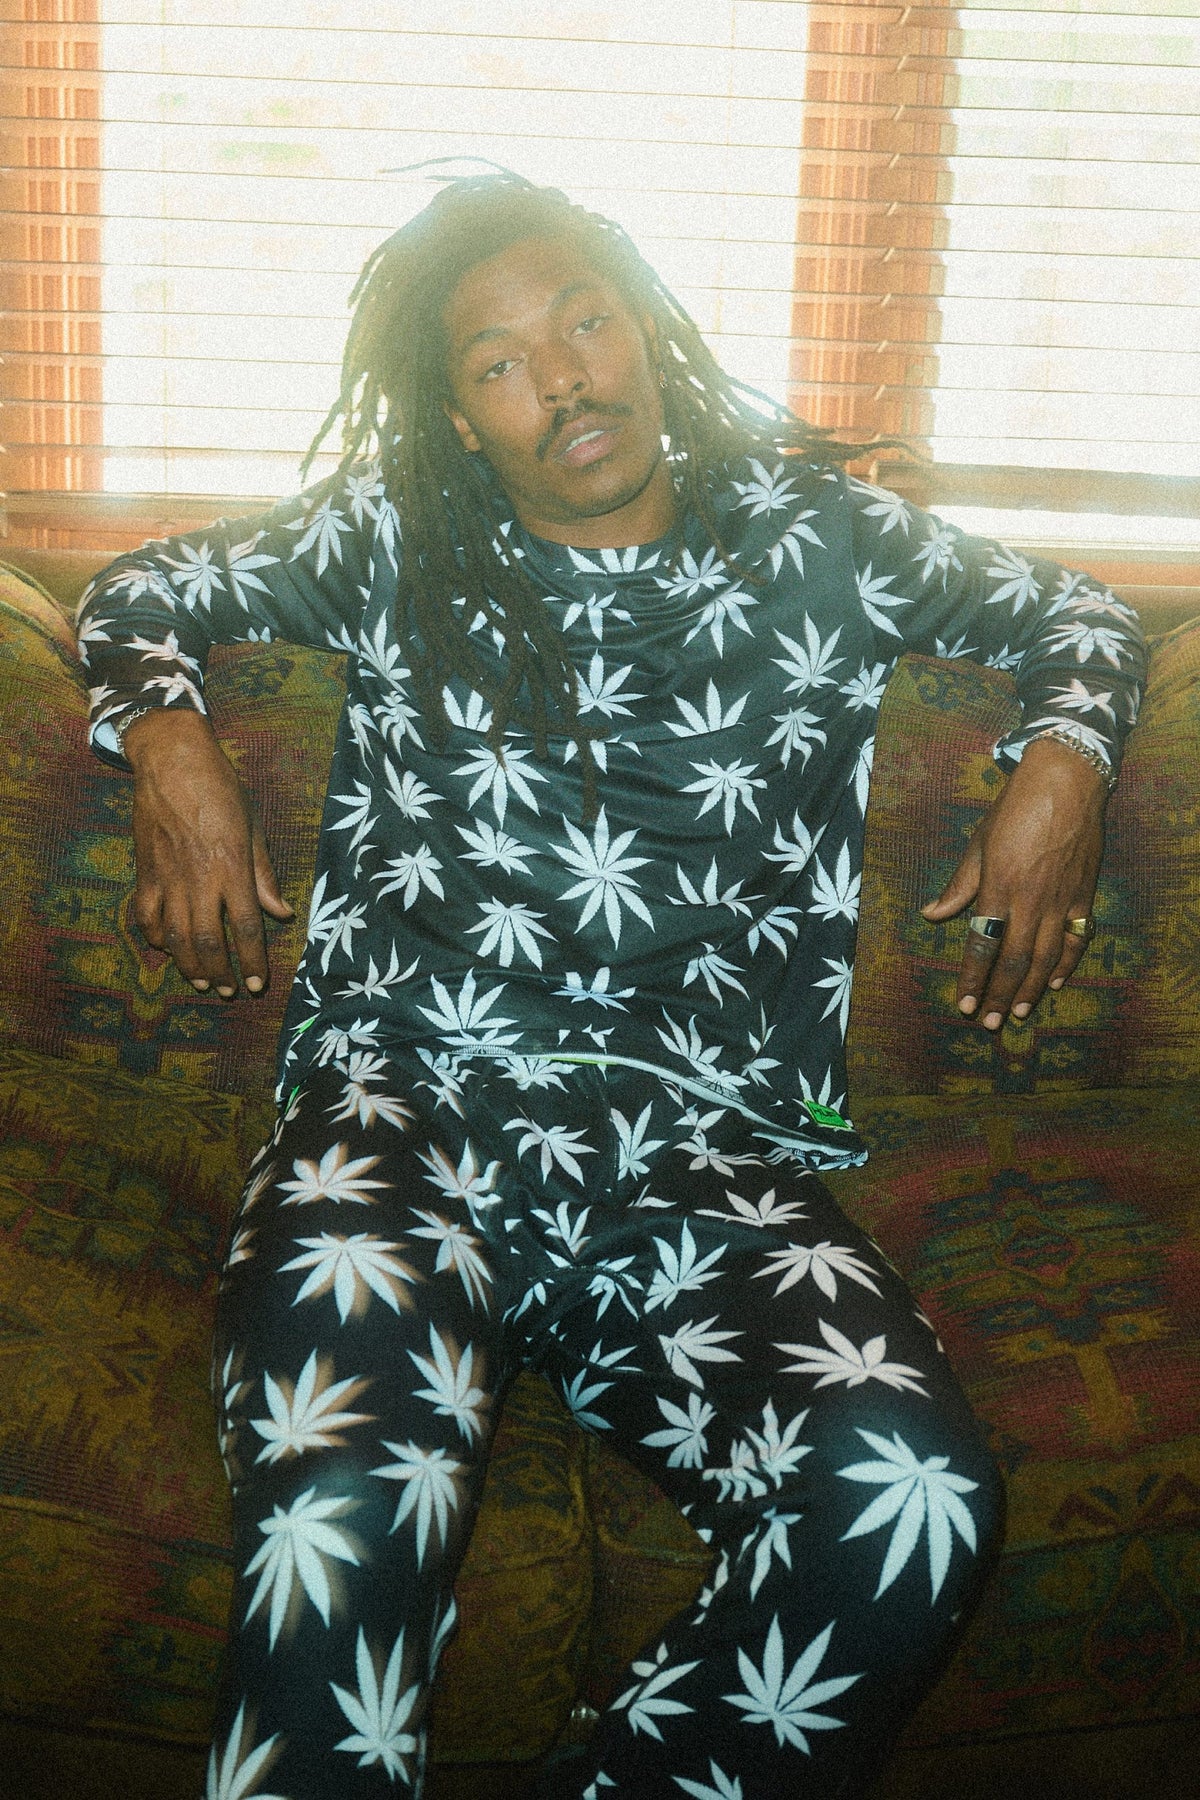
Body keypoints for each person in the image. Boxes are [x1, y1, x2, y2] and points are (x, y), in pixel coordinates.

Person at [77, 172, 1145, 1800]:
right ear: (460, 420)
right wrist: (174, 754)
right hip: (404, 1117)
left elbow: (1079, 617)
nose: (565, 378)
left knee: (912, 1501)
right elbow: (140, 595)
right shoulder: (395, 540)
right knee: (344, 1507)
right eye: (501, 362)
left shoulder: (820, 540)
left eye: (585, 320)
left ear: (647, 325)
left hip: (696, 1158)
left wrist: (1061, 770)